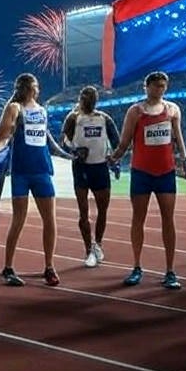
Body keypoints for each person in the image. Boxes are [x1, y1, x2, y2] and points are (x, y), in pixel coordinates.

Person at [0, 73, 74, 287]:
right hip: (21, 171)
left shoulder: (42, 110)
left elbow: (47, 139)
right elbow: (0, 135)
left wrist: (69, 154)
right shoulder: (14, 108)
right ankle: (8, 267)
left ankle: (49, 266)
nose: (37, 90)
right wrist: (4, 132)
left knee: (50, 219)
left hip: (42, 170)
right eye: (35, 86)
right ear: (30, 88)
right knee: (18, 220)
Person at [109, 72, 186, 288]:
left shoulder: (172, 110)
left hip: (166, 172)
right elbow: (124, 142)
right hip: (142, 172)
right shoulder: (135, 111)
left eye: (163, 86)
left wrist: (185, 160)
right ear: (146, 87)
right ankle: (136, 267)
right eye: (156, 86)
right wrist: (113, 157)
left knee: (168, 220)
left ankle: (170, 271)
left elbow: (178, 138)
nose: (160, 89)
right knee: (138, 219)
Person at [61, 85, 121, 267]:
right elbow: (62, 141)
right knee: (83, 213)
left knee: (103, 211)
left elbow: (117, 142)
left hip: (100, 168)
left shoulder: (104, 118)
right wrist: (75, 150)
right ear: (80, 98)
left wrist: (115, 159)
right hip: (81, 168)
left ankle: (98, 244)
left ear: (96, 100)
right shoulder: (73, 118)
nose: (88, 100)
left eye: (92, 97)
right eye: (85, 96)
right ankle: (88, 249)